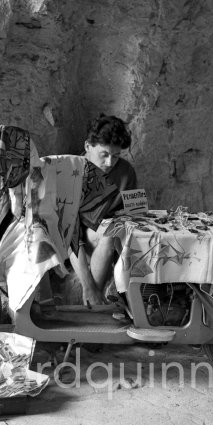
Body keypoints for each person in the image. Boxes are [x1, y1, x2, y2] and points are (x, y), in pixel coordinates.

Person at [69, 114, 137, 305]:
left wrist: (128, 216)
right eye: (104, 155)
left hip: (109, 232)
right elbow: (69, 235)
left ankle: (96, 300)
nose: (109, 163)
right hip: (79, 236)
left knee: (115, 233)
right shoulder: (71, 172)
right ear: (87, 147)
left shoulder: (126, 171)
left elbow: (136, 210)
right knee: (109, 234)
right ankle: (92, 295)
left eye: (115, 156)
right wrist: (87, 284)